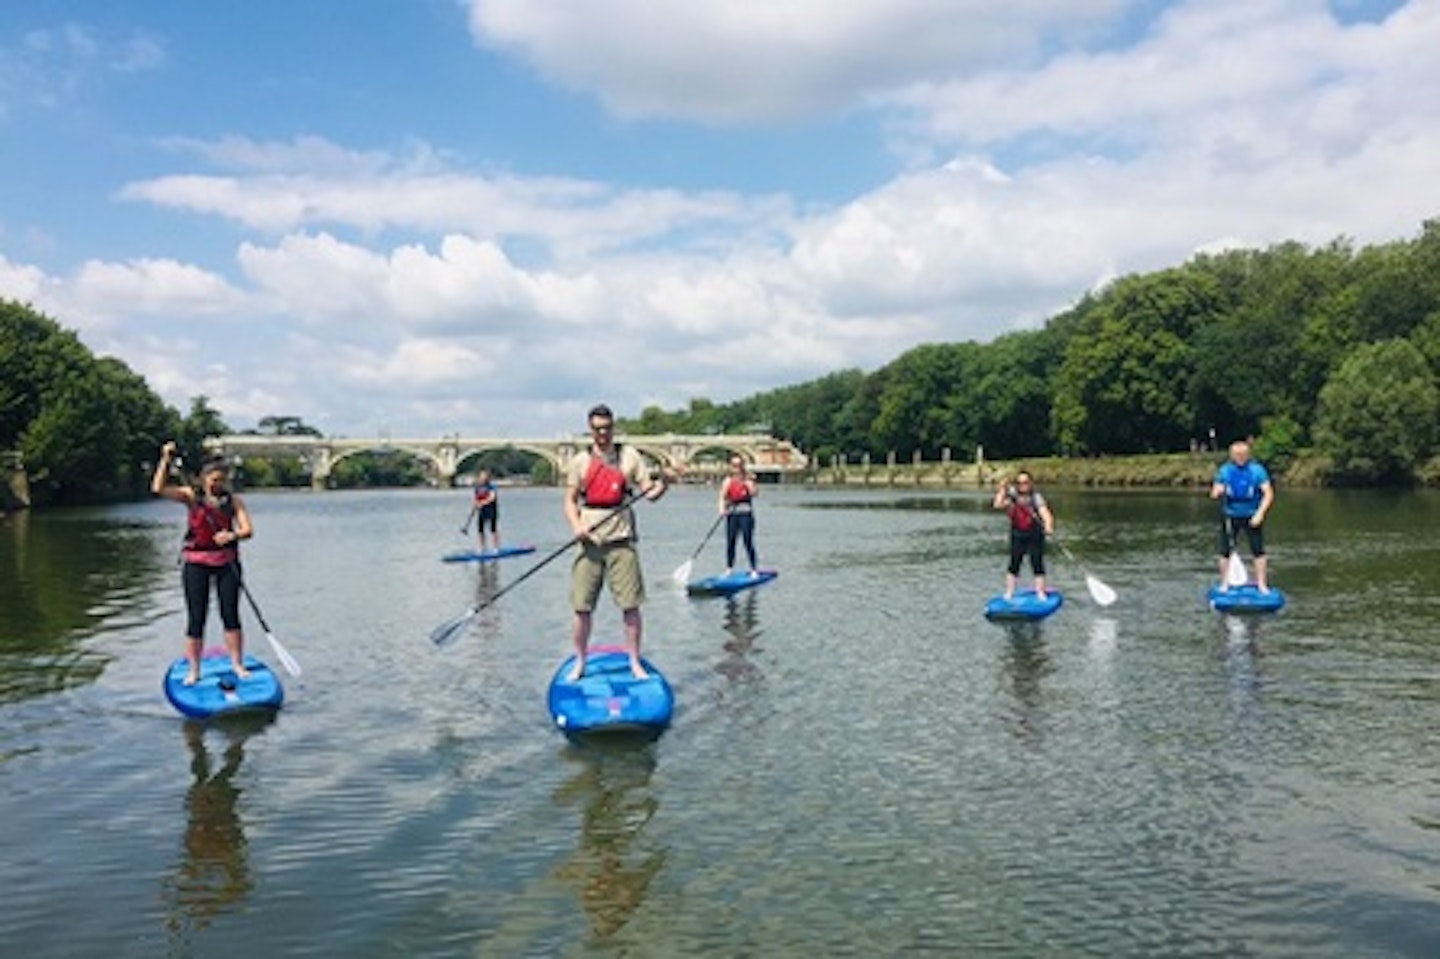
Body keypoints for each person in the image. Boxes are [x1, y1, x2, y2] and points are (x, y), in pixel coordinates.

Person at [564, 405, 668, 680]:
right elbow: (570, 500)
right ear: (590, 430)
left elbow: (650, 494)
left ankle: (634, 661)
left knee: (630, 606)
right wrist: (577, 526)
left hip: (621, 540)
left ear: (613, 427)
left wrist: (665, 482)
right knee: (581, 607)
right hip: (590, 543)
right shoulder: (580, 461)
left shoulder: (629, 456)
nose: (602, 434)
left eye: (607, 428)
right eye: (597, 429)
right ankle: (580, 661)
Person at [151, 442, 254, 684]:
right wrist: (165, 458)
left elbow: (248, 529)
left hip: (227, 564)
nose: (217, 484)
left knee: (231, 615)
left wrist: (233, 535)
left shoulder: (234, 501)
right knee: (196, 617)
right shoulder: (191, 497)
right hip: (196, 563)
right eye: (213, 479)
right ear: (203, 478)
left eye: (222, 480)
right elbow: (157, 488)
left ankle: (237, 665)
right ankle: (194, 670)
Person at [1210, 439, 1275, 593]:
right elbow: (1214, 491)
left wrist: (1260, 514)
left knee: (1258, 550)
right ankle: (1225, 583)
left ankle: (1261, 584)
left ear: (1248, 455)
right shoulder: (1225, 471)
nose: (1240, 457)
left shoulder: (1257, 470)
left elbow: (1268, 494)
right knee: (1225, 550)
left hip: (1252, 515)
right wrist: (1218, 491)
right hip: (1230, 516)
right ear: (1232, 455)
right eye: (1236, 454)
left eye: (1243, 454)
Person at [992, 470, 1055, 601]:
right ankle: (1009, 593)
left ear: (1031, 483)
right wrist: (1002, 489)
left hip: (1035, 533)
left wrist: (1048, 525)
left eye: (1025, 482)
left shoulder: (1036, 497)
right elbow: (997, 504)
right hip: (1017, 533)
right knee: (1014, 562)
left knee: (1037, 562)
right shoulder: (1012, 496)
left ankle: (1040, 593)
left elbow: (1045, 513)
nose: (1023, 485)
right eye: (1020, 483)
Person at [718, 455, 760, 576]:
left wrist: (750, 484)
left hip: (745, 513)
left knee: (748, 541)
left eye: (739, 465)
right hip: (732, 514)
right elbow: (722, 497)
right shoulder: (727, 481)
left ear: (743, 466)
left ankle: (753, 569)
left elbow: (754, 493)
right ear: (731, 467)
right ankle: (729, 568)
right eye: (734, 466)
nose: (737, 468)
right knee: (730, 542)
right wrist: (722, 509)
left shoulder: (747, 480)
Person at [467, 468, 500, 552]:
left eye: (485, 476)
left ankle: (495, 548)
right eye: (482, 476)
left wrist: (481, 503)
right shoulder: (478, 488)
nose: (483, 478)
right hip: (482, 511)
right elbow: (476, 499)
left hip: (491, 510)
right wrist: (475, 505)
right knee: (480, 530)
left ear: (488, 478)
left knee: (493, 529)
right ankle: (482, 547)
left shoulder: (492, 487)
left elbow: (492, 498)